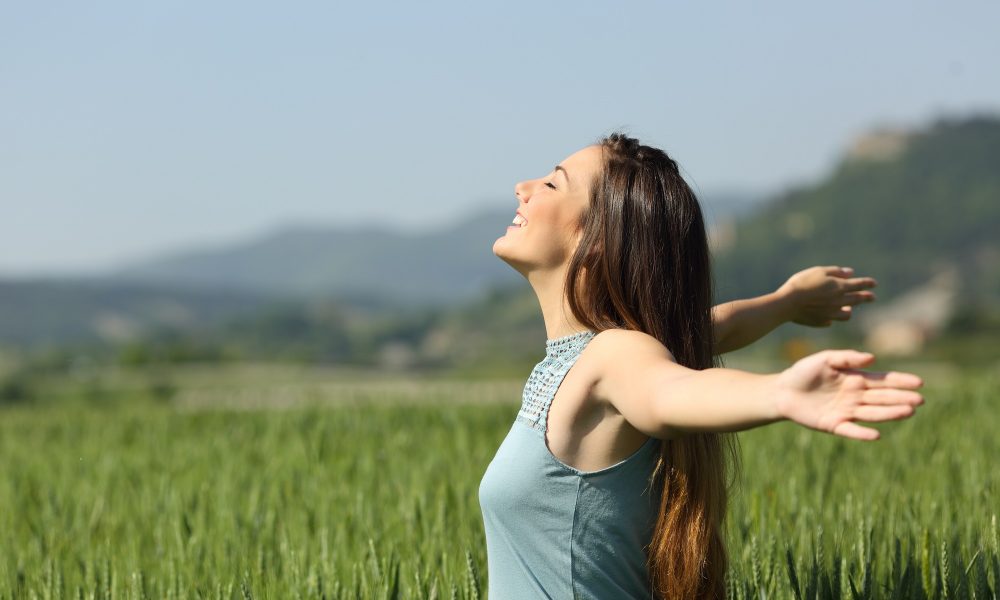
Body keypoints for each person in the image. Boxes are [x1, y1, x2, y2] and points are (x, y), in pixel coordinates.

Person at [477, 132, 924, 600]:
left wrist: (780, 393)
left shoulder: (614, 355)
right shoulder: (590, 356)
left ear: (595, 240)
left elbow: (668, 393)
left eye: (553, 184)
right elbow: (709, 329)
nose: (523, 186)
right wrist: (785, 302)